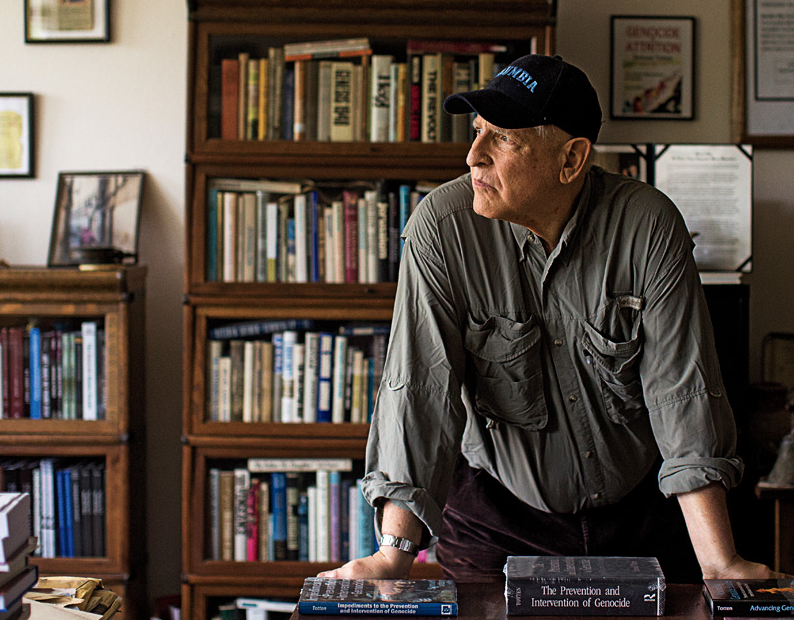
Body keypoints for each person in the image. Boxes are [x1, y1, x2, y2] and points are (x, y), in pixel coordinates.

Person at [319, 54, 771, 583]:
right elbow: (420, 388)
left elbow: (684, 393)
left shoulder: (648, 225)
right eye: (477, 132)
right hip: (496, 519)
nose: (473, 157)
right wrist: (394, 553)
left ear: (571, 159)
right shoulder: (441, 230)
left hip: (643, 513)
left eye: (503, 139)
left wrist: (720, 562)